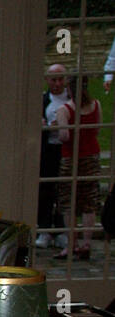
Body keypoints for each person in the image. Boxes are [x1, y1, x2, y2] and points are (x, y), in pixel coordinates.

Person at [56, 74, 103, 259]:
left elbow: (64, 136)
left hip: (71, 158)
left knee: (69, 202)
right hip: (91, 156)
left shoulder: (65, 109)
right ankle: (86, 243)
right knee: (89, 202)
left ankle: (71, 244)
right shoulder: (96, 105)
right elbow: (97, 129)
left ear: (69, 89)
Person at [37, 63, 71, 247]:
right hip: (48, 150)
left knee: (64, 191)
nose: (57, 83)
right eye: (53, 79)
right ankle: (44, 229)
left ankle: (61, 230)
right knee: (45, 190)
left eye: (60, 79)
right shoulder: (42, 101)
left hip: (67, 150)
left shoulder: (72, 100)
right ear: (47, 80)